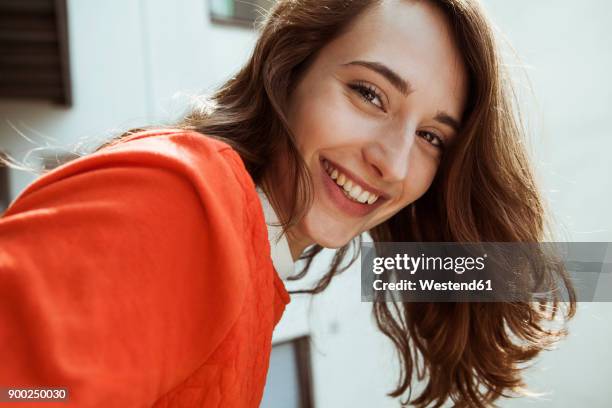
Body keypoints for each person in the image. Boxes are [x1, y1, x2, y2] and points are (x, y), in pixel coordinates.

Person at [0, 0, 575, 407]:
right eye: (369, 93)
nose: (394, 165)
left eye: (431, 137)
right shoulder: (189, 198)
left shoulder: (253, 253)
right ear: (290, 69)